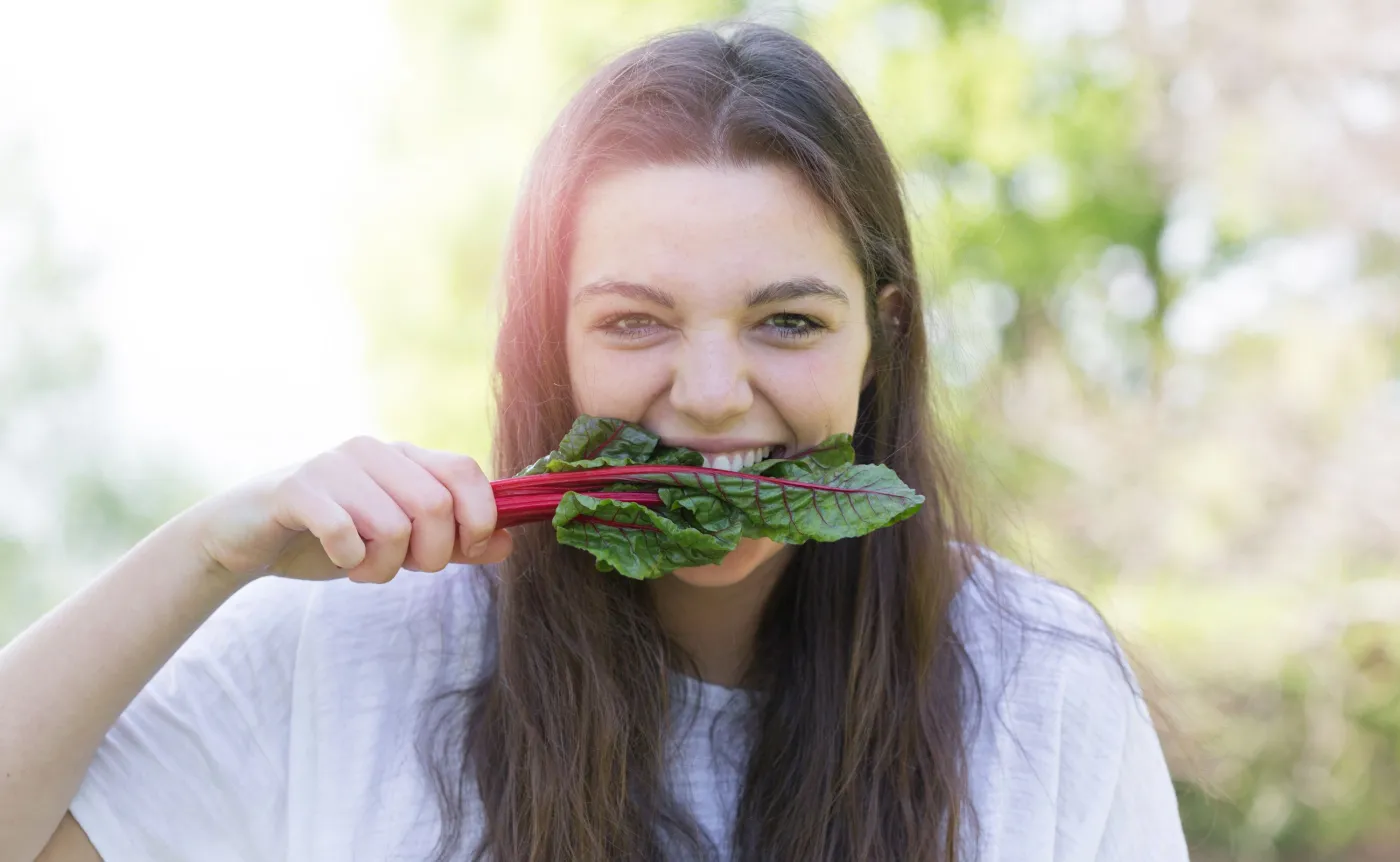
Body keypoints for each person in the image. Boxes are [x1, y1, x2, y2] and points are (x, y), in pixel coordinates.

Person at [0, 21, 1189, 862]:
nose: (713, 392)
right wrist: (217, 546)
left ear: (881, 335)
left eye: (786, 320)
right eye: (633, 322)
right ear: (546, 345)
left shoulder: (1038, 684)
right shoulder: (344, 649)